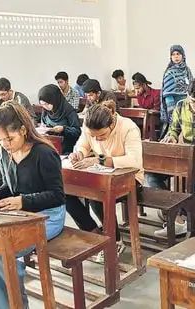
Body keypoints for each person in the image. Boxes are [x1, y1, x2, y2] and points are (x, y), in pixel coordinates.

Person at [0, 102, 65, 308]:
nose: (5, 144)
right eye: (1, 140)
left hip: (48, 215)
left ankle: (10, 305)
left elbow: (57, 196)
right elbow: (10, 184)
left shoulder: (44, 153)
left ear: (23, 130)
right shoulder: (5, 152)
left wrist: (23, 201)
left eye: (10, 139)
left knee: (2, 250)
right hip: (19, 212)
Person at [65, 101, 143, 261]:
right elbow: (83, 144)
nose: (98, 140)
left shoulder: (128, 128)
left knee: (97, 198)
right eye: (94, 136)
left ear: (112, 122)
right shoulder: (89, 127)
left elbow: (134, 160)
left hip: (130, 178)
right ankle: (95, 234)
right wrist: (79, 153)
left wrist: (98, 160)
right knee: (66, 193)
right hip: (101, 176)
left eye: (101, 136)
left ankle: (115, 240)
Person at [146, 79, 195, 237]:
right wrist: (171, 136)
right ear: (187, 96)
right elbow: (174, 128)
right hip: (183, 153)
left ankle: (178, 217)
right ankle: (177, 215)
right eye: (194, 102)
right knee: (151, 176)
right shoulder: (180, 106)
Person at [38, 84, 82, 154]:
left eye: (47, 104)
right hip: (50, 145)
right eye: (42, 104)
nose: (45, 107)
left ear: (54, 100)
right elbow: (43, 124)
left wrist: (63, 129)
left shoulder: (68, 111)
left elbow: (77, 132)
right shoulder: (46, 111)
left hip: (66, 148)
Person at [160, 44, 193, 137]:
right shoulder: (169, 72)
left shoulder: (187, 70)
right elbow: (167, 94)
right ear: (170, 57)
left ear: (183, 55)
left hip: (188, 106)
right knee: (174, 131)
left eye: (178, 54)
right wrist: (172, 110)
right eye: (173, 54)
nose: (176, 56)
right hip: (174, 107)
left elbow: (191, 89)